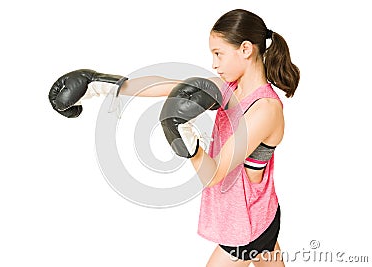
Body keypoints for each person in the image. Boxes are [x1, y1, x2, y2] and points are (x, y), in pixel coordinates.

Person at [49, 8, 299, 267]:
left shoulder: (265, 110)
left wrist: (189, 145)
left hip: (246, 222)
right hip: (257, 212)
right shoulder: (229, 88)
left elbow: (214, 175)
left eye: (218, 54)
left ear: (246, 49)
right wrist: (103, 84)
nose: (214, 63)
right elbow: (167, 83)